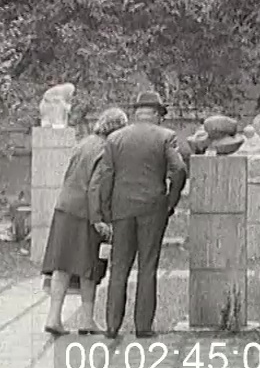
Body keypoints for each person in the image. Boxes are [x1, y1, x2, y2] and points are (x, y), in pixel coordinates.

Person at [90, 91, 187, 339]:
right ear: (155, 114)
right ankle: (143, 327)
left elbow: (106, 177)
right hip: (153, 209)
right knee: (148, 266)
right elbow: (179, 169)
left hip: (121, 209)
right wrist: (170, 201)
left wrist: (106, 210)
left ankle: (112, 326)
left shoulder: (115, 139)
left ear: (137, 113)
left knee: (119, 267)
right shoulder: (166, 137)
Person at [41, 107, 129, 336]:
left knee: (62, 265)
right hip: (86, 212)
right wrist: (98, 219)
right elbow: (95, 187)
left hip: (64, 207)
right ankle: (87, 320)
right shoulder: (106, 149)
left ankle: (53, 317)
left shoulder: (84, 143)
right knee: (89, 267)